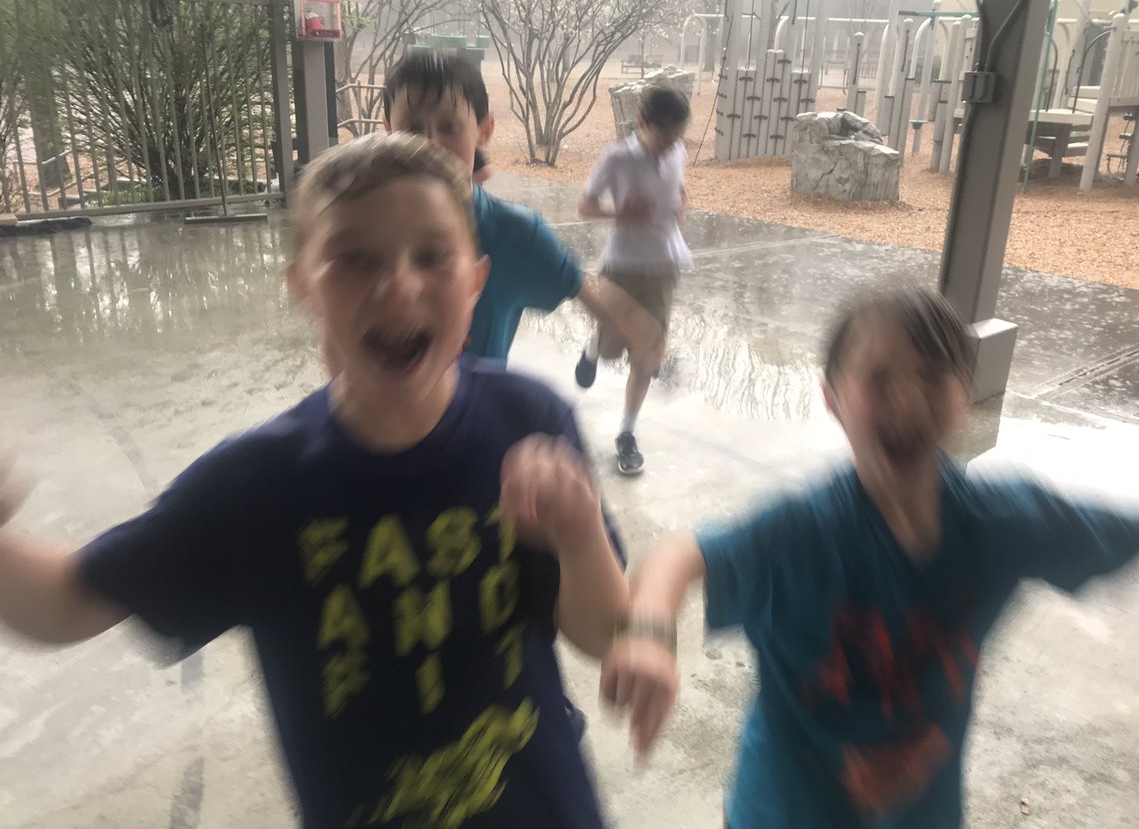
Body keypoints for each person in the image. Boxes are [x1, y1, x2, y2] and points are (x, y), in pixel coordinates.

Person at [0, 133, 629, 828]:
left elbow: (605, 634)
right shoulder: (259, 487)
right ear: (303, 284)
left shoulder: (529, 422)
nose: (397, 284)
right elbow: (67, 601)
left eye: (432, 256)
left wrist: (577, 537)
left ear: (476, 281)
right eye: (354, 259)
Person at [599, 285, 1139, 828]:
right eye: (880, 379)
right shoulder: (804, 533)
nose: (908, 400)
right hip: (780, 812)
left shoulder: (1006, 523)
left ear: (964, 394)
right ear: (832, 397)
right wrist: (649, 633)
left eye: (934, 377)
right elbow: (678, 556)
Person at [381, 50, 663, 369]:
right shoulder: (364, 226)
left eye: (449, 127)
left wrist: (636, 328)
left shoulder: (514, 235)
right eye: (413, 129)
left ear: (484, 131)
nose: (430, 144)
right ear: (389, 130)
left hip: (477, 418)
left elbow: (580, 286)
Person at [574, 86, 692, 476]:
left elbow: (678, 187)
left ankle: (626, 434)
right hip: (621, 267)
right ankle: (593, 347)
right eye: (663, 137)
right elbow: (585, 205)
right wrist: (619, 215)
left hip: (663, 267)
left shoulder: (678, 152)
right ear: (641, 123)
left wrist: (680, 202)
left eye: (676, 137)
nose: (669, 146)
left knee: (646, 358)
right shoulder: (617, 158)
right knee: (612, 348)